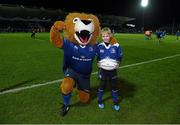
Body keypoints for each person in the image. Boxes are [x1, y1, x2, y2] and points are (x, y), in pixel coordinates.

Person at [96, 27, 123, 111]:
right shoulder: (99, 46)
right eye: (103, 36)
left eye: (107, 36)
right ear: (101, 37)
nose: (105, 38)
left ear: (110, 35)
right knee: (102, 85)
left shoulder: (116, 45)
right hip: (103, 70)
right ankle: (99, 101)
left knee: (114, 86)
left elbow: (120, 56)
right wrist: (98, 64)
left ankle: (115, 102)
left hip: (113, 70)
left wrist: (118, 63)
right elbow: (97, 58)